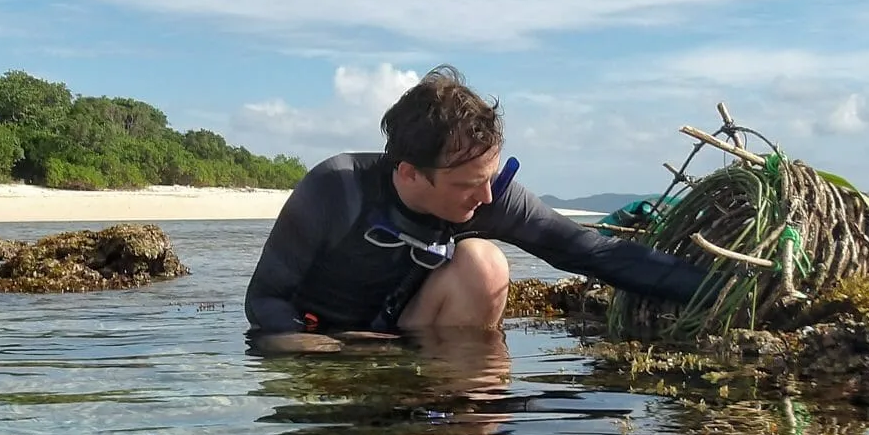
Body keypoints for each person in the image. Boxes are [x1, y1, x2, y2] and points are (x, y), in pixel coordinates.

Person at [245, 66, 709, 349]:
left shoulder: (488, 193)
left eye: (492, 177)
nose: (487, 198)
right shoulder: (336, 189)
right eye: (469, 184)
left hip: (415, 337)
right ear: (409, 173)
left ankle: (451, 401)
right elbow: (263, 299)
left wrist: (718, 289)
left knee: (484, 263)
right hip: (328, 345)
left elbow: (593, 252)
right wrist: (320, 347)